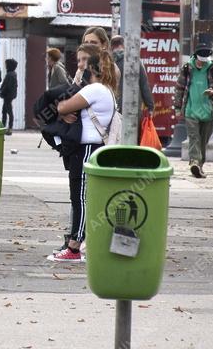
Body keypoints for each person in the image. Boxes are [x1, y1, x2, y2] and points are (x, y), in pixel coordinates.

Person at [50, 43, 119, 263]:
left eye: (84, 63)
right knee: (84, 197)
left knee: (80, 197)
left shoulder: (95, 89)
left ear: (92, 67)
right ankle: (78, 243)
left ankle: (74, 247)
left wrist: (63, 108)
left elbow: (62, 107)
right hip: (94, 148)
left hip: (87, 148)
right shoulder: (106, 90)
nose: (80, 66)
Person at [173, 40, 213, 179]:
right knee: (194, 137)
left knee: (203, 140)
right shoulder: (187, 68)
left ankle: (199, 166)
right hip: (191, 110)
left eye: (204, 61)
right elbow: (179, 88)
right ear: (195, 57)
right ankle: (194, 162)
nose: (202, 63)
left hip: (208, 111)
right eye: (200, 60)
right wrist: (177, 108)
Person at [110, 35, 155, 115]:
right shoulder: (135, 61)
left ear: (111, 47)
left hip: (113, 106)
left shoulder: (107, 63)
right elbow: (144, 85)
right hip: (133, 105)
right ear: (123, 45)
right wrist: (150, 106)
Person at [0, 58, 18, 135]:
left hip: (7, 96)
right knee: (5, 111)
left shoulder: (10, 75)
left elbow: (7, 86)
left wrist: (2, 92)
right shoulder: (13, 74)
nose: (5, 66)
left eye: (6, 64)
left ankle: (8, 128)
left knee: (8, 112)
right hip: (9, 96)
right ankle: (5, 127)